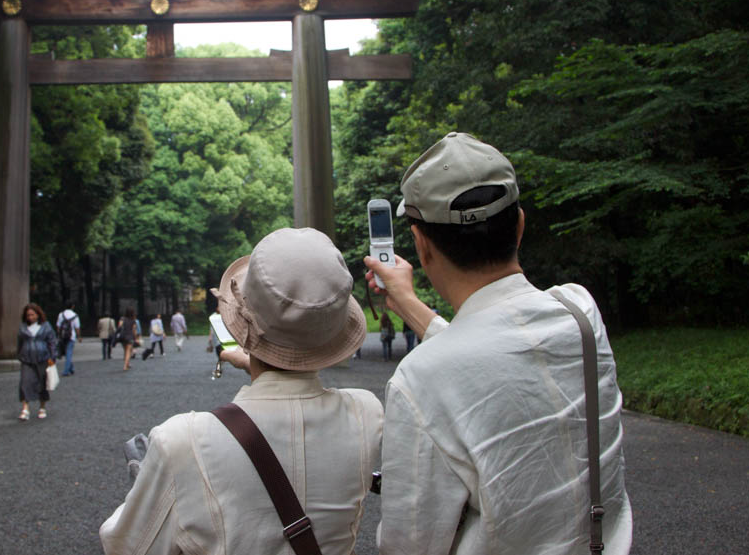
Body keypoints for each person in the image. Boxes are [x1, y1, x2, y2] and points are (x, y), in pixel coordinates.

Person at [364, 132, 632, 554]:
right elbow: (495, 348)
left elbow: (408, 545)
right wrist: (408, 305)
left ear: (421, 245)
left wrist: (409, 302)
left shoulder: (418, 381)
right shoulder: (581, 312)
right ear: (519, 225)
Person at [100, 227, 383, 555]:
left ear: (240, 320)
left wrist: (145, 485)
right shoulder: (366, 413)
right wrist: (260, 362)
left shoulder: (181, 442)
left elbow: (125, 546)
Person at [16, 303, 58, 421]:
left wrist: (53, 357)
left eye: (32, 314)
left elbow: (52, 342)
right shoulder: (23, 327)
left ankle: (42, 407)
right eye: (28, 315)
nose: (30, 317)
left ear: (38, 315)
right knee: (25, 382)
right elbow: (20, 342)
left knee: (42, 383)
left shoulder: (46, 326)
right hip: (27, 359)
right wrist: (19, 355)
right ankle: (25, 408)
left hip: (42, 358)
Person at [56, 303, 80, 376]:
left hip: (62, 336)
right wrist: (79, 336)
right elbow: (77, 327)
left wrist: (59, 335)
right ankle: (66, 371)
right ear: (73, 306)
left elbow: (58, 326)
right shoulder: (75, 315)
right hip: (71, 336)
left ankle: (71, 368)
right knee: (69, 353)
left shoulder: (61, 314)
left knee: (67, 353)